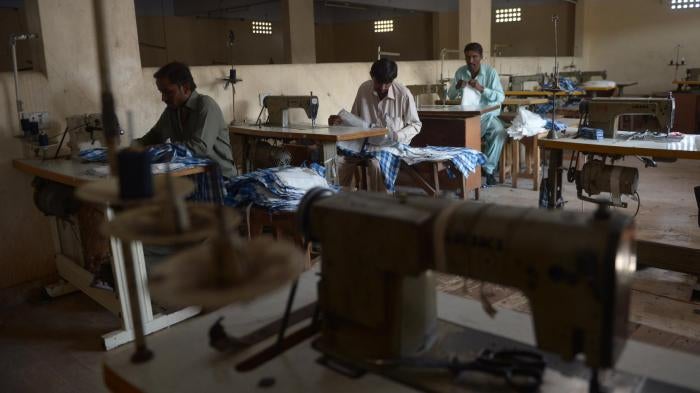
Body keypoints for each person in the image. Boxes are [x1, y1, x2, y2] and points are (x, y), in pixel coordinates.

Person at [329, 58, 421, 192]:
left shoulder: (403, 94)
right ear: (372, 76)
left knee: (376, 164)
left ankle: (379, 205)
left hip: (392, 145)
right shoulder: (364, 89)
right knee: (339, 161)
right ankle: (339, 200)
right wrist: (342, 122)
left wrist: (398, 135)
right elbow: (355, 119)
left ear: (393, 80)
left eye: (387, 84)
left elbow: (416, 124)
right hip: (365, 144)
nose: (382, 88)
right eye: (378, 83)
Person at [137, 62, 236, 178]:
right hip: (193, 175)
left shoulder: (206, 105)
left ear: (186, 88)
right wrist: (132, 147)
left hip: (220, 177)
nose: (163, 98)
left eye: (168, 92)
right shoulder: (171, 111)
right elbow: (154, 136)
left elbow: (200, 148)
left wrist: (158, 151)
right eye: (161, 92)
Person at [447, 42, 506, 186]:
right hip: (467, 115)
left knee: (499, 132)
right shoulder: (461, 72)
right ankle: (459, 168)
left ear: (481, 57)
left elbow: (500, 97)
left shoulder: (490, 73)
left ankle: (489, 170)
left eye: (475, 57)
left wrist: (482, 89)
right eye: (468, 57)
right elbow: (451, 95)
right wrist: (456, 87)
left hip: (487, 114)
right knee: (454, 132)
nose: (471, 61)